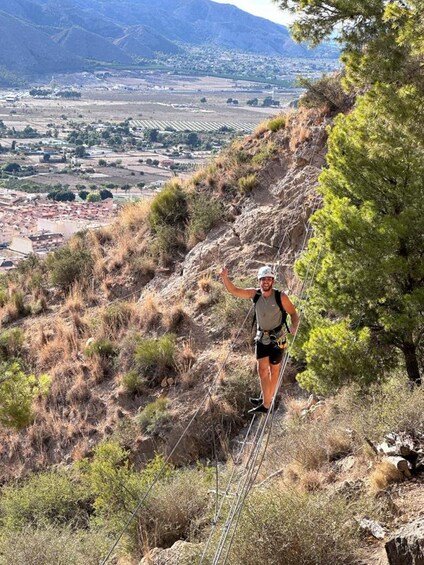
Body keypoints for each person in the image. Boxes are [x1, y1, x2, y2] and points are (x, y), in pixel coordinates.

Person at [219, 265, 299, 414]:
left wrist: (294, 326)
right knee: (262, 369)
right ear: (259, 281)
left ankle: (267, 400)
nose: (266, 282)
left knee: (274, 370)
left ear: (273, 281)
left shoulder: (281, 297)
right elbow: (234, 291)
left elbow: (293, 314)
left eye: (269, 279)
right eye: (263, 279)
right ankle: (267, 402)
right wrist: (225, 277)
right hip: (262, 337)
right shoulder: (255, 294)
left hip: (278, 338)